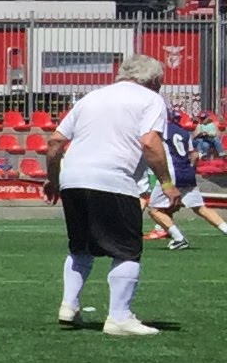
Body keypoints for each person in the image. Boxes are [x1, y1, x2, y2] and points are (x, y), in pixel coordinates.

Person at [44, 54, 175, 336]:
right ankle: (119, 317)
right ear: (153, 80)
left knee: (80, 247)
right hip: (114, 180)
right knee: (126, 250)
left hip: (74, 179)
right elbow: (150, 142)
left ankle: (69, 305)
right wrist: (166, 183)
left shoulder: (91, 98)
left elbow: (55, 141)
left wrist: (53, 180)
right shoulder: (150, 100)